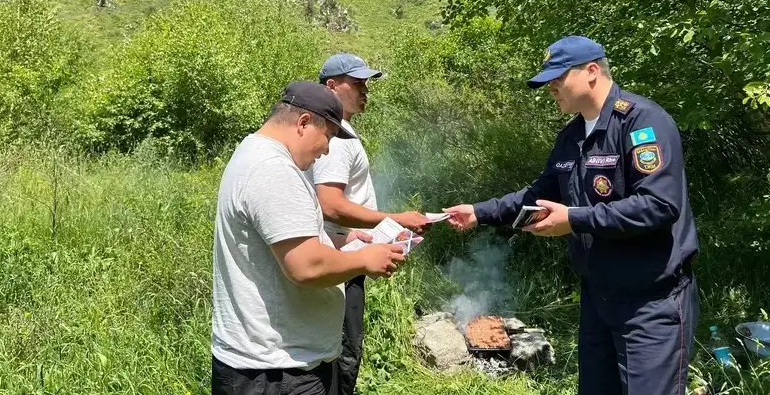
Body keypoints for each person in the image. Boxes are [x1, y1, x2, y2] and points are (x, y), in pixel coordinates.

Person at [444, 36, 700, 395]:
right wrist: (478, 212)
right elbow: (536, 196)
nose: (551, 87)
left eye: (558, 77)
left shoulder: (642, 122)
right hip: (598, 298)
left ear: (592, 71)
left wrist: (575, 218)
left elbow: (659, 205)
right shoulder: (572, 136)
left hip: (651, 301)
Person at [211, 81, 406, 395]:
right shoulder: (273, 169)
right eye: (327, 136)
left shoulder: (256, 152)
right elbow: (307, 267)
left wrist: (340, 242)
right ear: (303, 123)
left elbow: (280, 242)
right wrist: (365, 260)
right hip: (277, 372)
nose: (327, 149)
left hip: (276, 366)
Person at [310, 53, 430, 395]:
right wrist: (392, 218)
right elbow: (330, 204)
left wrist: (361, 230)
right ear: (331, 86)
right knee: (344, 353)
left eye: (367, 84)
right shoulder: (335, 138)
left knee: (342, 351)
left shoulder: (340, 131)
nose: (366, 91)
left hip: (344, 250)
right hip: (340, 262)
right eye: (358, 83)